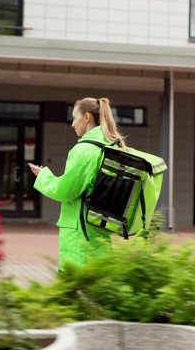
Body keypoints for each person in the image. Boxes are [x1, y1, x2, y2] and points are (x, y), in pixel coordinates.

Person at [29, 97, 127, 271]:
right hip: (98, 231)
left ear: (87, 117)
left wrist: (43, 176)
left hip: (79, 238)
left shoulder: (84, 151)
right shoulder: (110, 146)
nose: (73, 123)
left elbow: (65, 191)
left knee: (70, 292)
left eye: (75, 118)